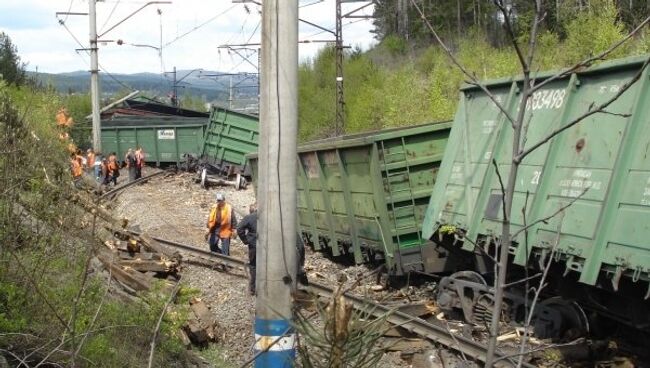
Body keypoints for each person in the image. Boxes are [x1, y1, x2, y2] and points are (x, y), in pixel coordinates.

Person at [237, 203, 258, 295]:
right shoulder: (268, 217)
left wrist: (245, 240)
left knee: (253, 266)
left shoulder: (249, 217)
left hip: (254, 246)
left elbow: (239, 228)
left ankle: (253, 288)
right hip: (267, 246)